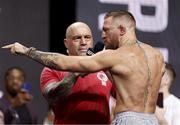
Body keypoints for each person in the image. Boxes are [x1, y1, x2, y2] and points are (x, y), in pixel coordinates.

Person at [2, 10, 165, 125]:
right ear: (67, 42)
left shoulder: (111, 58)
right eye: (77, 38)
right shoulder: (157, 55)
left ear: (122, 29)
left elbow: (63, 62)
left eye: (106, 30)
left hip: (128, 119)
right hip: (150, 119)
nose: (102, 36)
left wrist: (26, 51)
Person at [40, 22, 115, 124]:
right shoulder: (52, 69)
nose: (83, 42)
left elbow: (124, 96)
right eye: (77, 38)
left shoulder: (104, 68)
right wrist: (75, 73)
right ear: (66, 43)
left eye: (87, 37)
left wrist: (108, 71)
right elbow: (52, 97)